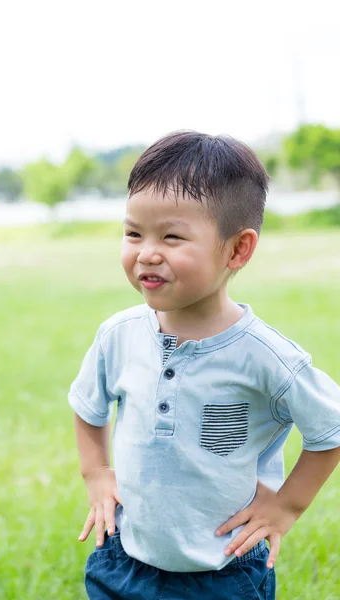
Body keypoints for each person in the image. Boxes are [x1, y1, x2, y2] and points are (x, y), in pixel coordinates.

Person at [68, 130, 340, 599]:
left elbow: (330, 429)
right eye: (134, 233)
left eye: (172, 237)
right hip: (124, 560)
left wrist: (286, 507)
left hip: (224, 570)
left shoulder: (265, 357)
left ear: (238, 249)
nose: (147, 252)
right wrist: (96, 473)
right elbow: (88, 407)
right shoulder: (120, 335)